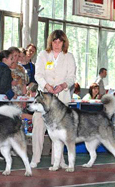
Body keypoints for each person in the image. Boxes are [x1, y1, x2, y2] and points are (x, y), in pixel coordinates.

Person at [30, 30, 76, 168]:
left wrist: (63, 85)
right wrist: (46, 86)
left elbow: (72, 77)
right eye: (54, 41)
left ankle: (59, 161)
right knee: (38, 125)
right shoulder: (43, 55)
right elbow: (38, 74)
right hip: (44, 97)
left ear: (64, 42)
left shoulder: (69, 56)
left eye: (59, 42)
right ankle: (35, 158)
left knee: (60, 130)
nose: (57, 44)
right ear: (51, 42)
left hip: (61, 98)